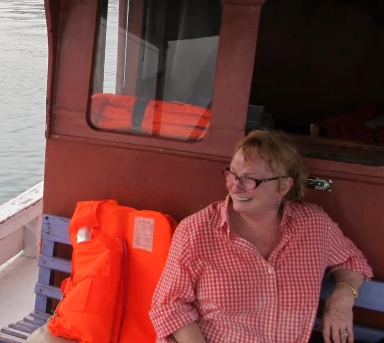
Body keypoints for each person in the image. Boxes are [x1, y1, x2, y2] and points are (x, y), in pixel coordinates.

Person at [149, 130, 372, 343]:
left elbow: (352, 261)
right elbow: (169, 306)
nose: (235, 187)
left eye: (250, 179)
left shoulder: (314, 225)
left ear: (283, 186)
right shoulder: (197, 230)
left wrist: (342, 298)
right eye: (232, 174)